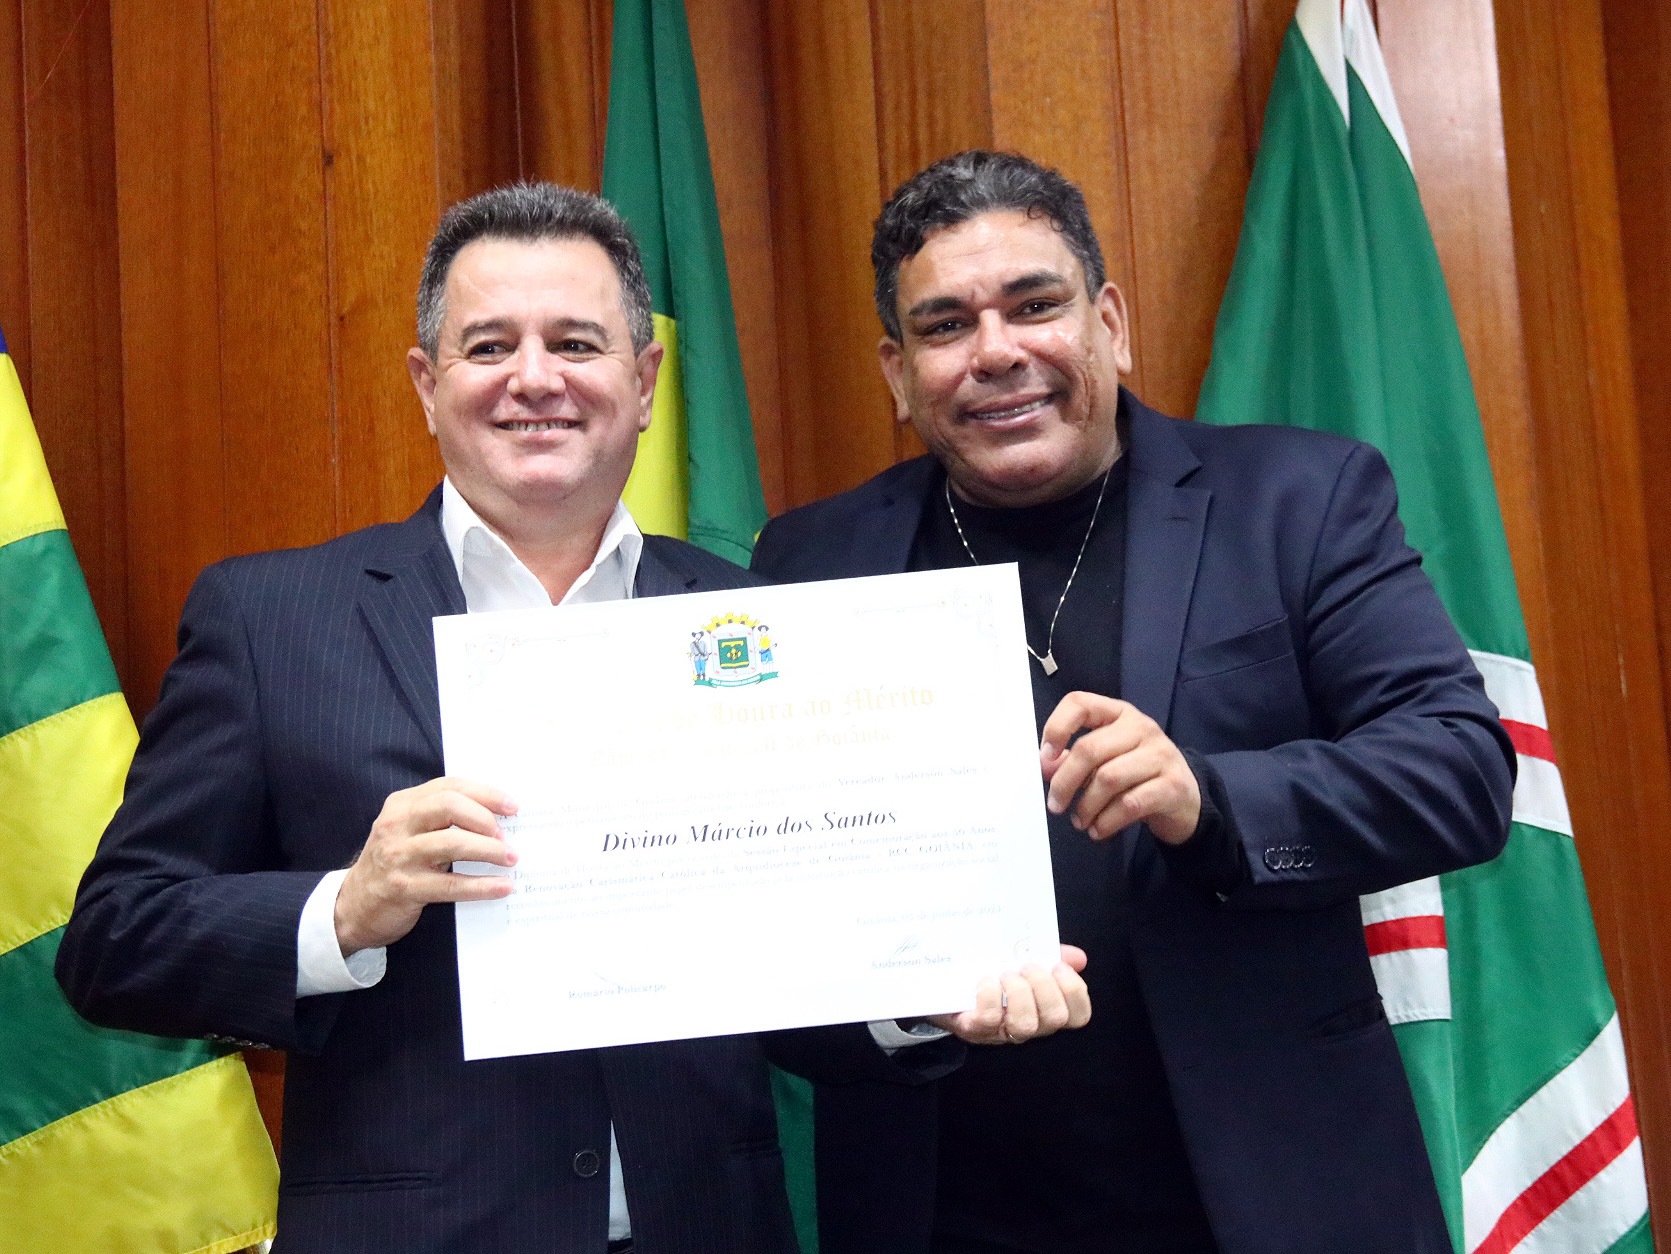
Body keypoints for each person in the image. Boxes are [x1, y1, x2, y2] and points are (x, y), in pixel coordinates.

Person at [56, 181, 1087, 1254]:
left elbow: (795, 985)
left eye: (576, 343)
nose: (535, 378)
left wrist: (917, 992)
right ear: (428, 386)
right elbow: (113, 942)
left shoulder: (753, 623)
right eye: (489, 345)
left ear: (643, 384)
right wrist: (346, 911)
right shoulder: (272, 619)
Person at [750, 151, 1516, 1254]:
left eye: (1035, 305)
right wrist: (906, 1005)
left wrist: (1209, 798)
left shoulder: (1297, 500)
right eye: (946, 325)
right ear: (898, 373)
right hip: (943, 1206)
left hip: (1268, 1194)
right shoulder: (812, 562)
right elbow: (772, 908)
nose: (996, 351)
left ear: (1107, 323)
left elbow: (1459, 770)